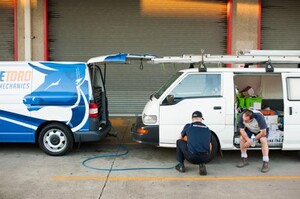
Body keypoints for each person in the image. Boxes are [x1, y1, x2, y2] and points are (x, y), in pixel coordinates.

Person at [175, 111, 212, 175]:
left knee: (179, 142)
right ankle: (202, 164)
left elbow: (180, 138)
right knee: (203, 147)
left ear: (192, 119)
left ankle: (181, 166)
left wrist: (189, 140)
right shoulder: (207, 129)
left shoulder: (188, 126)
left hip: (192, 157)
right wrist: (207, 156)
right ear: (201, 119)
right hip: (206, 158)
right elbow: (210, 145)